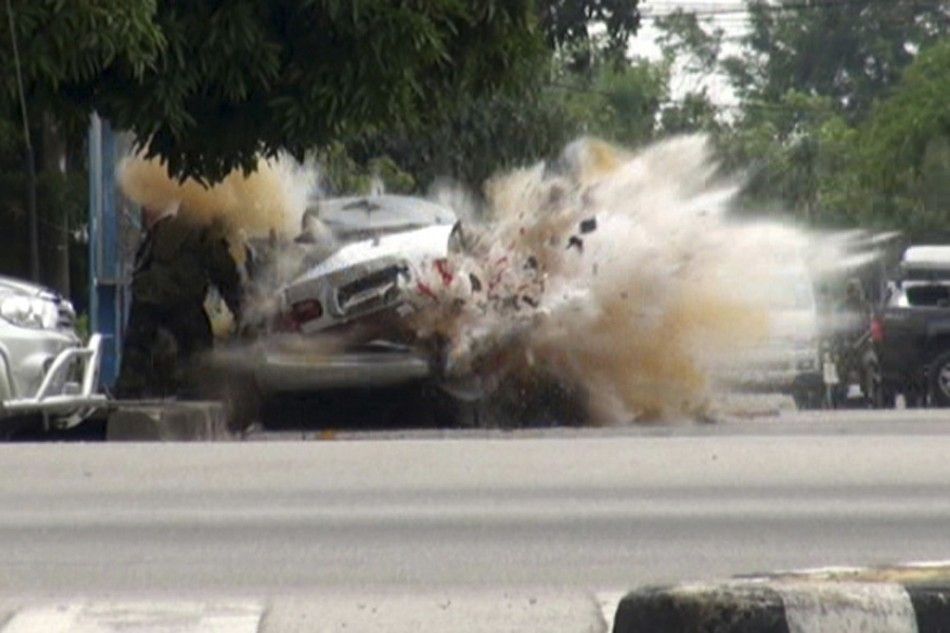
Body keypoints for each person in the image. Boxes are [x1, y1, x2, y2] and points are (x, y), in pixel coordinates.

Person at [115, 203, 243, 399]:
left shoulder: (163, 226)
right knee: (198, 343)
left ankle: (127, 390)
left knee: (136, 348)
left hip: (146, 298)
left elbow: (141, 262)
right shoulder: (205, 234)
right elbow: (226, 275)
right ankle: (194, 391)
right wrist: (241, 311)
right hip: (180, 301)